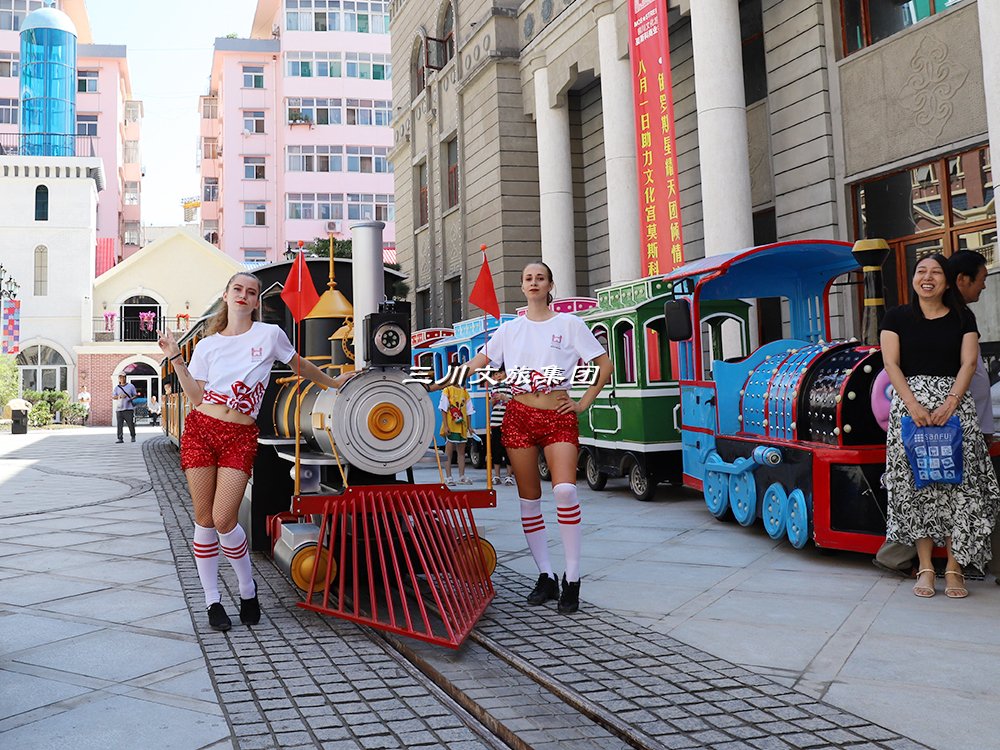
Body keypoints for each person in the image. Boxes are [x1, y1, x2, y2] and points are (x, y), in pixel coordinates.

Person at [158, 272, 356, 632]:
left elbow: (300, 366)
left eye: (251, 292)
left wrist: (333, 382)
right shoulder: (207, 345)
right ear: (226, 294)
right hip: (201, 431)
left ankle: (248, 589)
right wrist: (176, 358)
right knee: (203, 519)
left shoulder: (270, 336)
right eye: (237, 289)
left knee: (224, 519)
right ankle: (212, 600)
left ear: (256, 302)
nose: (244, 296)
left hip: (240, 435)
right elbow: (196, 397)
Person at [463, 261, 612, 614]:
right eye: (528, 278)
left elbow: (604, 365)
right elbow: (479, 364)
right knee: (529, 500)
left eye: (540, 278)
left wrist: (582, 404)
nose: (533, 283)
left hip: (558, 415)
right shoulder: (508, 331)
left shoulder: (570, 324)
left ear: (550, 285)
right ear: (521, 285)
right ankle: (545, 575)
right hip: (517, 417)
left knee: (564, 490)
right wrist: (459, 376)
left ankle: (572, 578)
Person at [879, 254, 999, 598]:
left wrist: (950, 403)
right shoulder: (896, 316)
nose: (927, 277)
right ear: (913, 279)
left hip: (954, 410)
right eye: (921, 271)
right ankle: (927, 567)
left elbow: (969, 362)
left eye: (935, 272)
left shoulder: (963, 316)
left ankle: (955, 568)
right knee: (918, 487)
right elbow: (891, 363)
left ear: (947, 282)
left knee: (959, 489)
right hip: (910, 410)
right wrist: (914, 405)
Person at [439, 382, 474, 485]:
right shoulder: (447, 390)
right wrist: (445, 425)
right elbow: (443, 409)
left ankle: (462, 476)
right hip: (451, 426)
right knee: (448, 452)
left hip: (462, 426)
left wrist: (469, 426)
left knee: (462, 452)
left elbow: (469, 411)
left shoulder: (464, 392)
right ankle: (449, 477)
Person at [489, 378, 515, 485]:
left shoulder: (512, 388)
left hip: (508, 423)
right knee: (496, 450)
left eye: (500, 373)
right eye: (495, 374)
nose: (498, 376)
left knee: (509, 450)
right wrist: (493, 400)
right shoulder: (494, 388)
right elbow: (491, 404)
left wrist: (505, 398)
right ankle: (497, 475)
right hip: (495, 422)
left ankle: (509, 476)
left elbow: (515, 403)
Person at [112, 374, 138, 443]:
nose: (122, 379)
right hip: (119, 409)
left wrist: (129, 398)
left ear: (125, 378)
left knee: (130, 424)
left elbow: (135, 395)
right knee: (119, 424)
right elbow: (113, 397)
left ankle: (133, 436)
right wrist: (119, 396)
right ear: (119, 379)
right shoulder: (117, 388)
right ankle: (120, 438)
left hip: (128, 409)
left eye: (123, 377)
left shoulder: (131, 386)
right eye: (120, 377)